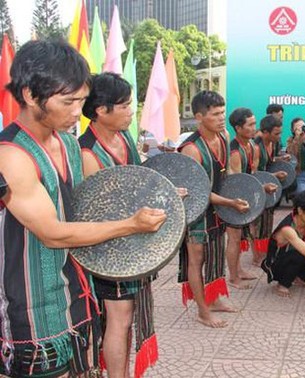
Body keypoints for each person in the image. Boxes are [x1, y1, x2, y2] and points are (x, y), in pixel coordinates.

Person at [0, 40, 165, 377]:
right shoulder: (11, 154)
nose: (78, 111)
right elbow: (53, 234)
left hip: (75, 292)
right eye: (68, 101)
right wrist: (131, 225)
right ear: (31, 95)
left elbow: (85, 210)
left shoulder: (66, 142)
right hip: (30, 307)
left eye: (81, 101)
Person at [80, 72, 165, 378]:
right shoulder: (87, 154)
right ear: (101, 110)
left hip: (132, 243)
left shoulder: (124, 137)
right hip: (108, 249)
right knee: (119, 318)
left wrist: (164, 193)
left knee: (126, 318)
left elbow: (138, 182)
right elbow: (96, 216)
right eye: (126, 105)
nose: (132, 111)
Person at [178, 91, 249, 328]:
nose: (221, 118)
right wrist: (230, 203)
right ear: (199, 117)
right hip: (196, 213)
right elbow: (197, 191)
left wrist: (240, 193)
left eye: (222, 112)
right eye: (215, 114)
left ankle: (215, 297)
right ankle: (202, 311)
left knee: (216, 255)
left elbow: (226, 171)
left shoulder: (223, 136)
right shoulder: (191, 149)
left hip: (217, 207)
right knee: (196, 260)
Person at [225, 107, 277, 290]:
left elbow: (252, 176)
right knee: (234, 238)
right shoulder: (235, 153)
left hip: (244, 198)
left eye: (255, 123)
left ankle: (239, 271)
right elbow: (237, 184)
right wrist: (262, 188)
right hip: (232, 200)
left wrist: (262, 187)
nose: (255, 128)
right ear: (238, 128)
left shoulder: (252, 147)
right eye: (251, 124)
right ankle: (233, 277)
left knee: (241, 238)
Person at [251, 114, 288, 266]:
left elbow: (269, 163)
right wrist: (275, 175)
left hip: (269, 188)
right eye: (276, 133)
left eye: (280, 133)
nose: (279, 136)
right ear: (265, 132)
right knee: (256, 224)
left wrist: (280, 160)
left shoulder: (271, 145)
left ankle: (263, 251)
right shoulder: (256, 148)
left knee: (267, 222)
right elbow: (253, 174)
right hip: (258, 188)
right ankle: (256, 256)